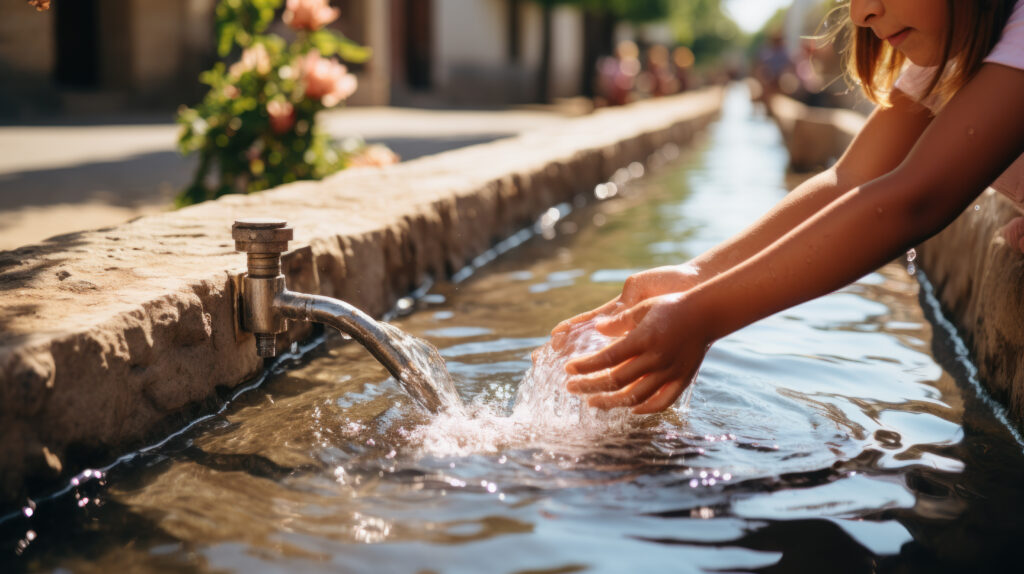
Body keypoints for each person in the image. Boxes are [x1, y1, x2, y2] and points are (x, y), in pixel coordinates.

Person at [553, 0, 1024, 414]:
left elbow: (914, 200)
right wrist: (699, 278)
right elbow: (851, 178)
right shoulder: (952, 55)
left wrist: (705, 315)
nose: (862, 12)